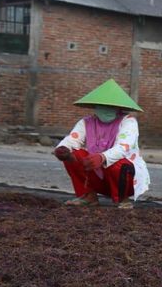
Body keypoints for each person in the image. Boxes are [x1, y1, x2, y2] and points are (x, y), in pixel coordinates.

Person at [53, 79, 150, 208]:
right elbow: (72, 139)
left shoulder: (128, 121)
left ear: (118, 107)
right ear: (96, 106)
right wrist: (62, 149)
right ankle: (88, 195)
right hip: (98, 177)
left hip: (125, 179)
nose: (106, 109)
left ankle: (122, 199)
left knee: (118, 162)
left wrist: (103, 157)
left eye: (111, 106)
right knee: (74, 154)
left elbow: (123, 147)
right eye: (102, 106)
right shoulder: (87, 122)